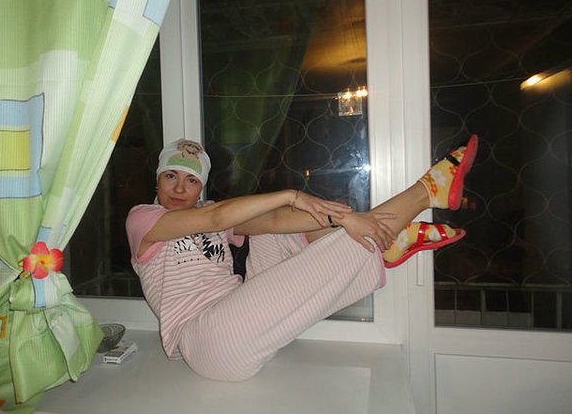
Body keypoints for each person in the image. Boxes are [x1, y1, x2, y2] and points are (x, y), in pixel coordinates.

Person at [126, 135, 478, 381]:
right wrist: (292, 195)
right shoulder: (143, 219)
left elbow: (275, 221)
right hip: (209, 344)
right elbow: (214, 219)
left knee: (272, 232)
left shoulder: (210, 210)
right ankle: (424, 193)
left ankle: (383, 236)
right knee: (277, 218)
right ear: (157, 181)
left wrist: (346, 219)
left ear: (201, 187)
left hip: (246, 318)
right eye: (170, 176)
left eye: (191, 180)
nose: (179, 187)